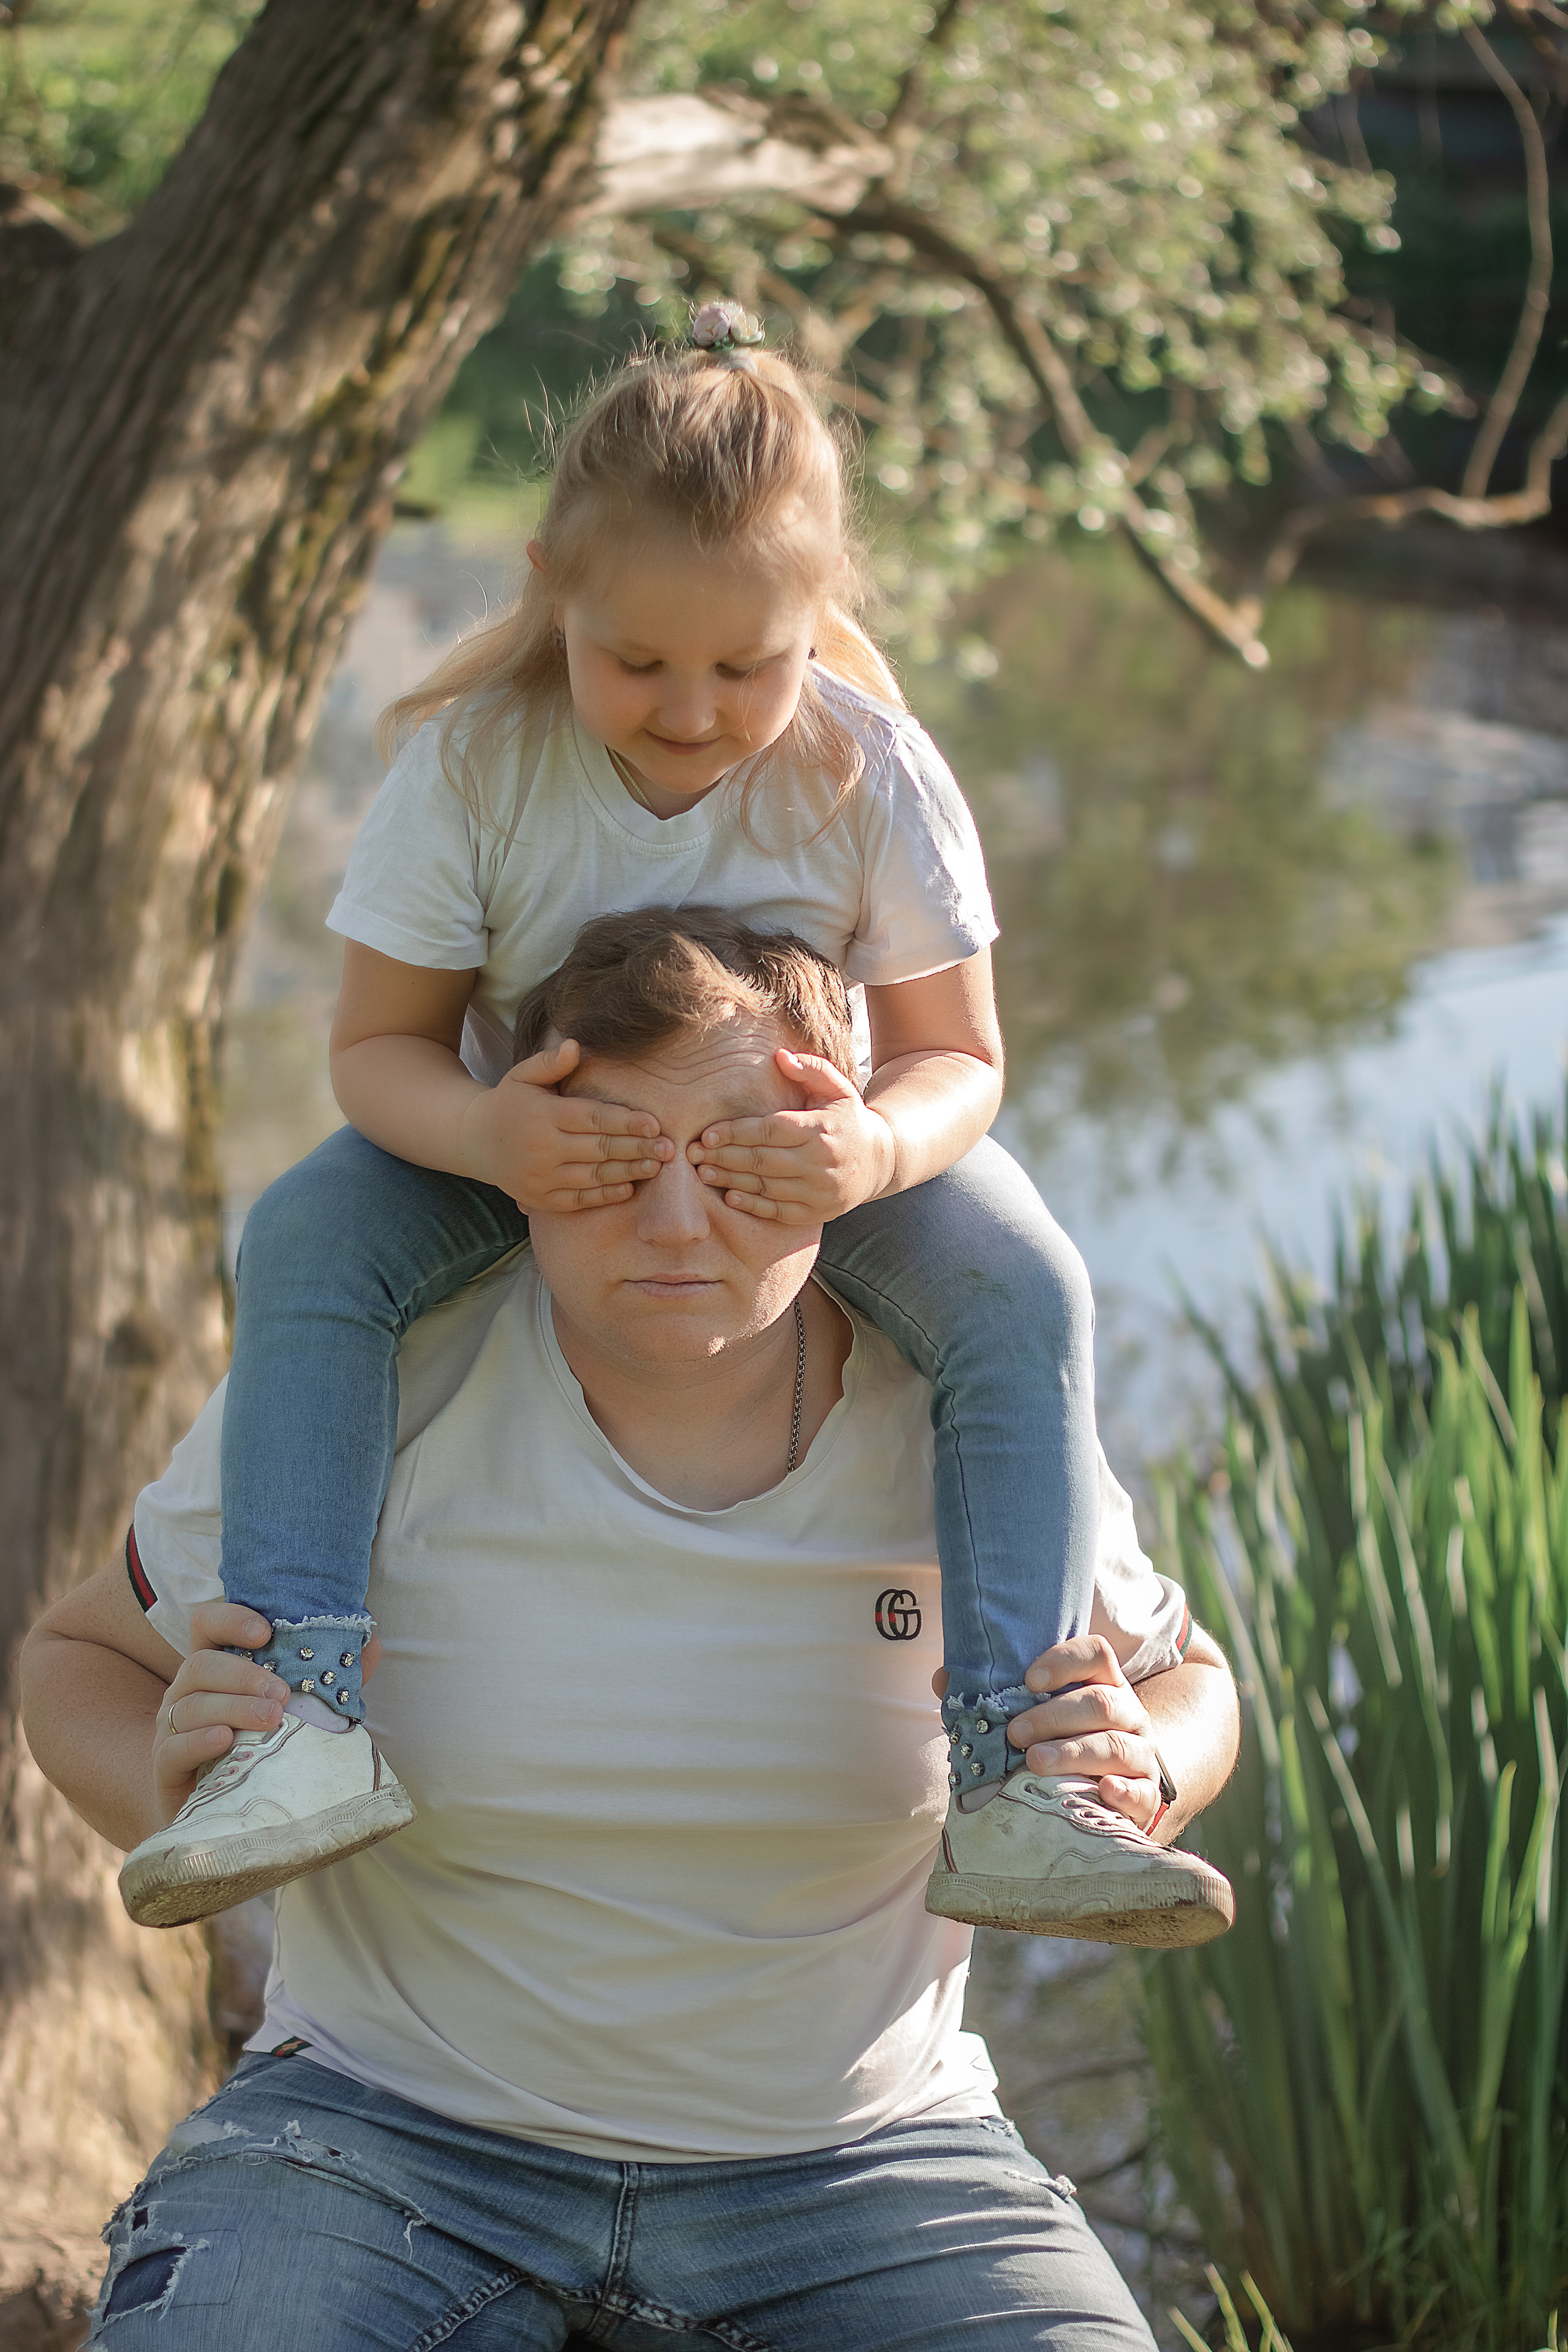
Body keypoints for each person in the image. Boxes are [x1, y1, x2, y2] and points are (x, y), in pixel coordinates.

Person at [123, 298, 1188, 1942]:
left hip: (804, 1164)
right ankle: (298, 1721)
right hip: (541, 1153)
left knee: (1025, 1287)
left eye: (745, 666)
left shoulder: (870, 769)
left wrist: (878, 1155)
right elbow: (379, 1048)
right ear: (554, 585)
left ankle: (1020, 1772)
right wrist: (490, 1142)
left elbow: (959, 1056)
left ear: (815, 617)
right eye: (638, 662)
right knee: (307, 1234)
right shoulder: (476, 764)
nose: (691, 711)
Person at [23, 911, 1239, 2350]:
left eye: (740, 1161)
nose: (673, 1224)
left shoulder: (969, 1417)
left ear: (843, 1168)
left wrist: (1140, 1768)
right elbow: (78, 1659)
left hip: (866, 2161)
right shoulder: (372, 1389)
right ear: (511, 1165)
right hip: (381, 2138)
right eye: (603, 1160)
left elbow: (1188, 1679)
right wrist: (169, 1782)